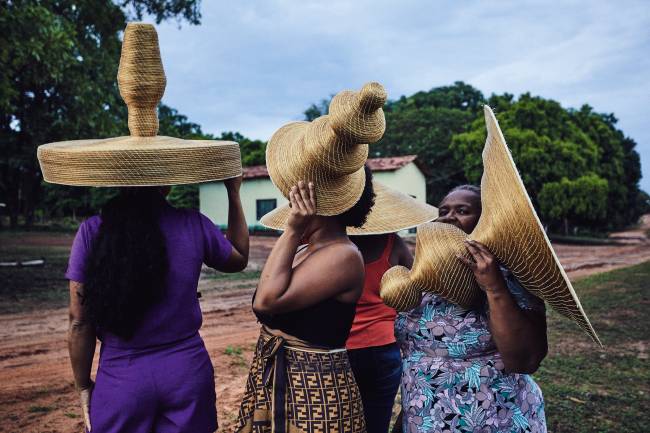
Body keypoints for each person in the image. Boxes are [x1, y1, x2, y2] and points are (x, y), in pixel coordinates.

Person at [66, 179, 248, 433]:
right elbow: (238, 258)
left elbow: (79, 321)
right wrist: (233, 193)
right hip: (187, 374)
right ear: (167, 186)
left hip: (121, 380)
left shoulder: (92, 231)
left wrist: (84, 385)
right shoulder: (192, 223)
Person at [393, 185, 548, 433]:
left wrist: (494, 287)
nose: (448, 217)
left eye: (462, 210)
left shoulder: (509, 278)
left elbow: (525, 360)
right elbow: (419, 358)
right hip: (425, 417)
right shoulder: (424, 281)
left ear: (484, 221)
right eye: (443, 211)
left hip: (493, 418)